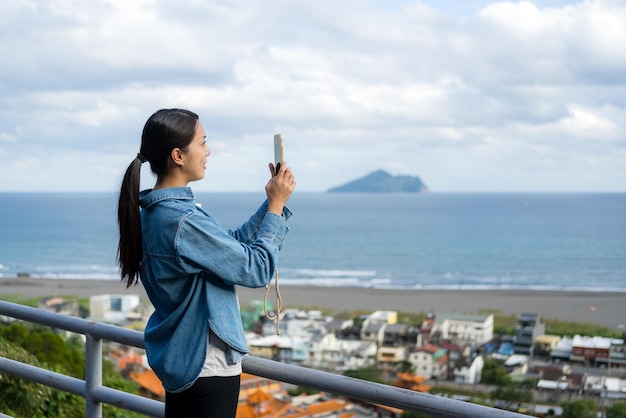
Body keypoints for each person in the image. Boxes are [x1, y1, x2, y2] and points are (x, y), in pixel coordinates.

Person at [116, 108, 295, 417]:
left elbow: (227, 245)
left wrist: (272, 203)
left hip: (181, 361)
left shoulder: (153, 214)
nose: (208, 150)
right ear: (178, 155)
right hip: (207, 364)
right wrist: (276, 209)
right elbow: (256, 269)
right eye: (202, 142)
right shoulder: (183, 220)